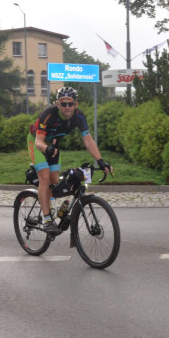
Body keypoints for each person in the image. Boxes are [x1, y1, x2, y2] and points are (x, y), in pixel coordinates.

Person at [28, 86, 112, 231]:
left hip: (54, 145)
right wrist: (47, 148)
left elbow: (88, 140)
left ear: (76, 104)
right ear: (57, 104)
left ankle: (51, 207)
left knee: (55, 181)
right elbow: (38, 141)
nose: (67, 107)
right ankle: (48, 219)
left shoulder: (79, 116)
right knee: (45, 177)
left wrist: (100, 160)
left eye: (70, 103)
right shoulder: (49, 114)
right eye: (63, 103)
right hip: (38, 143)